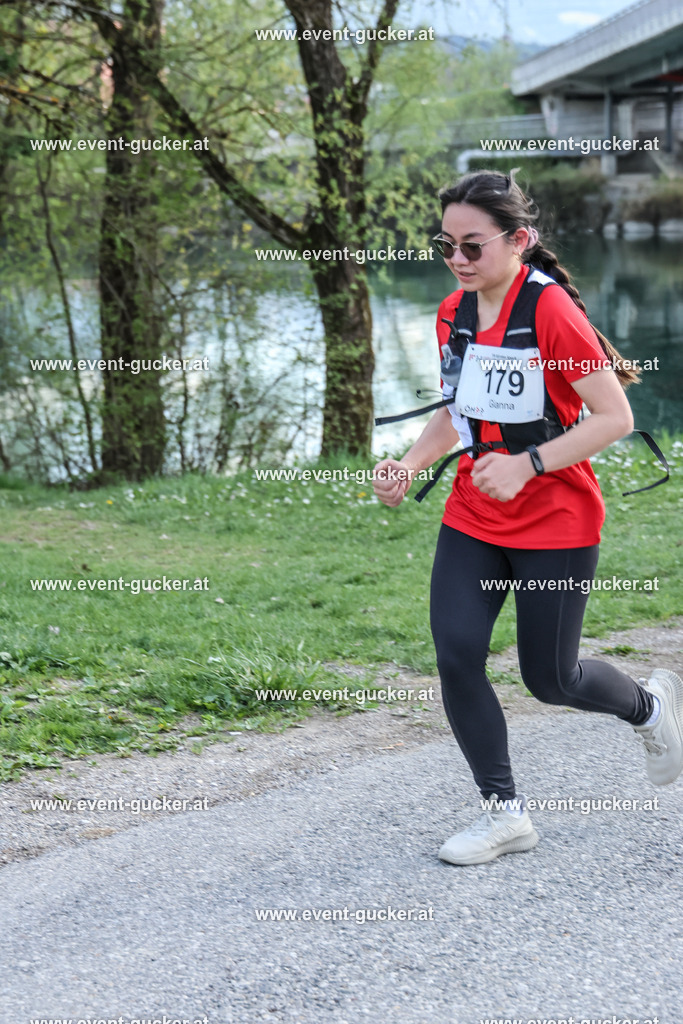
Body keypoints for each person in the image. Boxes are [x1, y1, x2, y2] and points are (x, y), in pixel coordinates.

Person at [371, 169, 683, 866]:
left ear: (518, 240)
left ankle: (650, 708)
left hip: (556, 521)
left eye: (472, 246)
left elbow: (614, 417)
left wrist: (527, 464)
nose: (456, 259)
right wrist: (410, 465)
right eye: (445, 245)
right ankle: (504, 814)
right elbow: (457, 410)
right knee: (456, 654)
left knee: (551, 680)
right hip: (473, 513)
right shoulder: (451, 312)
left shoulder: (549, 310)